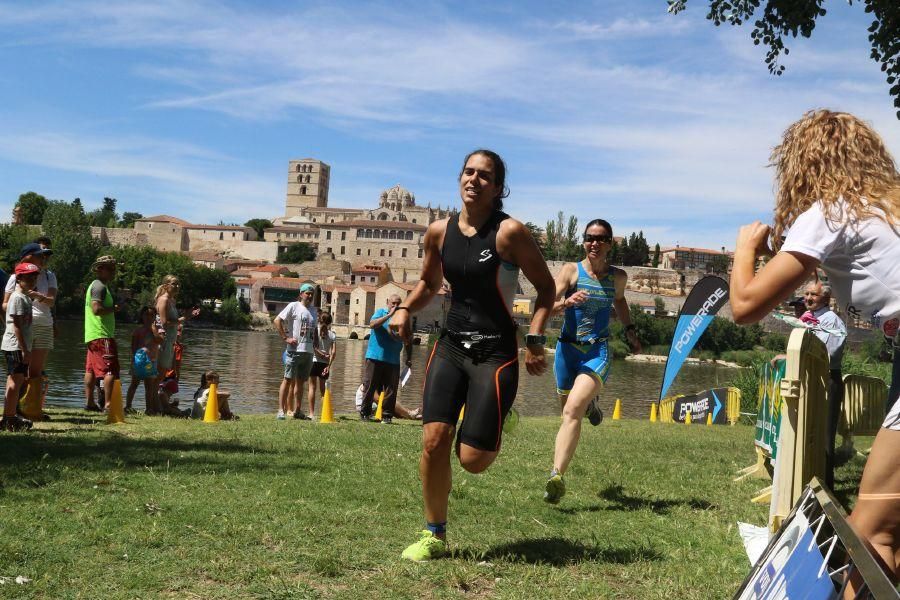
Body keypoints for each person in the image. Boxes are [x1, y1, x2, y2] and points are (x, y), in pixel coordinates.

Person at [727, 110, 899, 593]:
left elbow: (744, 306)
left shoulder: (832, 210)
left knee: (871, 533)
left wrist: (746, 250)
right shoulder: (885, 208)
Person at [390, 149, 555, 561]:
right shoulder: (437, 233)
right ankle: (434, 534)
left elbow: (547, 289)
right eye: (468, 172)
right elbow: (428, 284)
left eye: (484, 176)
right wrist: (406, 308)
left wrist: (535, 338)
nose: (473, 180)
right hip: (450, 345)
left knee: (473, 461)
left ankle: (498, 416)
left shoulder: (509, 233)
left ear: (498, 188)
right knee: (433, 440)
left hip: (495, 353)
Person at [543, 218, 641, 504]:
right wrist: (566, 303)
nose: (594, 243)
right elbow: (545, 307)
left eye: (600, 238)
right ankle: (592, 405)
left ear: (610, 244)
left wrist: (631, 331)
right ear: (584, 241)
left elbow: (620, 301)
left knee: (573, 410)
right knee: (567, 412)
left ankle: (556, 476)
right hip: (565, 351)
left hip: (597, 351)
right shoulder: (570, 271)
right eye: (589, 238)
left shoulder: (618, 277)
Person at [799, 281, 847, 490]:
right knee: (809, 433)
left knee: (824, 437)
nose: (808, 298)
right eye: (806, 294)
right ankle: (810, 483)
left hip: (827, 380)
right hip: (811, 379)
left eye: (813, 295)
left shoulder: (831, 321)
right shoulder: (811, 319)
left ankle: (827, 490)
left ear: (826, 299)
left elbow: (826, 354)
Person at [2, 242, 57, 420]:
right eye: (40, 255)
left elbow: (51, 302)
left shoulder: (48, 276)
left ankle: (30, 410)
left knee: (35, 371)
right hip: (24, 328)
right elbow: (5, 306)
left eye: (45, 256)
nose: (44, 258)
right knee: (18, 373)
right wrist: (20, 308)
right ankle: (13, 412)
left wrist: (38, 297)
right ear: (28, 257)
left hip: (43, 325)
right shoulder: (16, 280)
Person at [1, 263, 41, 431]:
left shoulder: (25, 297)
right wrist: (25, 350)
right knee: (15, 382)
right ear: (19, 278)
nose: (32, 280)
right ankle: (9, 418)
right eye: (28, 277)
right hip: (16, 346)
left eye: (34, 276)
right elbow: (16, 326)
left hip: (20, 346)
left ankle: (9, 416)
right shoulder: (17, 297)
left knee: (16, 381)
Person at [360, 295, 411, 424]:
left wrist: (409, 357)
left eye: (398, 304)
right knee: (370, 386)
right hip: (375, 357)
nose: (395, 306)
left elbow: (408, 339)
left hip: (393, 359)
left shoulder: (403, 319)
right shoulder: (380, 313)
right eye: (393, 303)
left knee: (391, 389)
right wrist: (389, 316)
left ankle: (387, 415)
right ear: (387, 302)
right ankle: (365, 413)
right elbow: (372, 324)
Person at [84, 256, 122, 412]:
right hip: (102, 335)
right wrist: (114, 308)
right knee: (110, 370)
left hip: (93, 335)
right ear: (99, 269)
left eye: (114, 268)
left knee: (91, 371)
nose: (113, 272)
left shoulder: (98, 286)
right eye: (109, 268)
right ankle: (108, 405)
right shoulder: (99, 287)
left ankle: (90, 403)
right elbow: (96, 309)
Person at [273, 283, 317, 420]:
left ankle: (298, 410)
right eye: (307, 293)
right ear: (301, 294)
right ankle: (281, 410)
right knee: (287, 379)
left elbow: (314, 328)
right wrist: (285, 338)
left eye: (311, 294)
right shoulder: (294, 306)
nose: (309, 296)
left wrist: (315, 343)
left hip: (308, 352)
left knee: (301, 382)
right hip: (294, 350)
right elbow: (277, 320)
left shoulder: (314, 310)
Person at [155, 275, 199, 382]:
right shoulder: (163, 300)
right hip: (163, 341)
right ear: (166, 285)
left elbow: (173, 321)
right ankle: (153, 397)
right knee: (159, 376)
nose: (177, 286)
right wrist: (185, 318)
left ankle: (155, 397)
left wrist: (188, 315)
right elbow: (164, 323)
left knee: (162, 375)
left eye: (178, 284)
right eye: (174, 284)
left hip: (170, 341)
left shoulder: (172, 301)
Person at [126, 306, 163, 414]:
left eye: (152, 315)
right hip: (139, 361)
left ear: (155, 317)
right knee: (134, 383)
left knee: (149, 386)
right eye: (146, 314)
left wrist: (153, 330)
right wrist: (133, 359)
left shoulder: (158, 329)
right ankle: (128, 406)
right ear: (142, 316)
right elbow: (133, 346)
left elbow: (159, 340)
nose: (149, 317)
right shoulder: (138, 330)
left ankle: (149, 409)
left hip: (151, 361)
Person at [308, 311, 336, 420]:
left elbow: (314, 347)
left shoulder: (315, 330)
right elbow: (333, 353)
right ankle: (324, 413)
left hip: (313, 362)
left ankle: (311, 414)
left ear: (319, 320)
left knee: (311, 388)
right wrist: (328, 365)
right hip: (325, 365)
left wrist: (320, 354)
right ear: (330, 322)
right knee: (323, 390)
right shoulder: (332, 334)